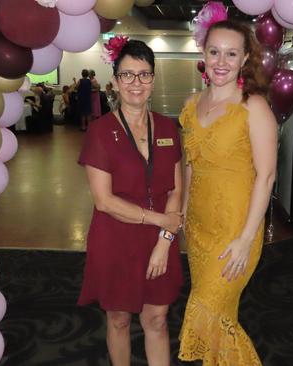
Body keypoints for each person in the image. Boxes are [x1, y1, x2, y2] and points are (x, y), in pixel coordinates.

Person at [177, 3, 277, 365]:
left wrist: (247, 238)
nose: (221, 61)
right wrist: (184, 212)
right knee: (219, 318)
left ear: (245, 57)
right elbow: (191, 164)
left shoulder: (254, 107)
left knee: (207, 308)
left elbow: (266, 176)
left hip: (236, 229)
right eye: (214, 51)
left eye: (231, 54)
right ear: (203, 52)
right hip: (200, 228)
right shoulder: (191, 104)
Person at [77, 38, 185, 366]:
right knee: (119, 320)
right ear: (114, 80)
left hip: (160, 241)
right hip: (116, 237)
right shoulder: (99, 131)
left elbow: (177, 192)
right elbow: (104, 201)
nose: (136, 83)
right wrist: (161, 222)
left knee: (156, 320)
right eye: (127, 75)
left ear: (153, 79)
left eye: (144, 75)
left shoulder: (168, 127)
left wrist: (165, 242)